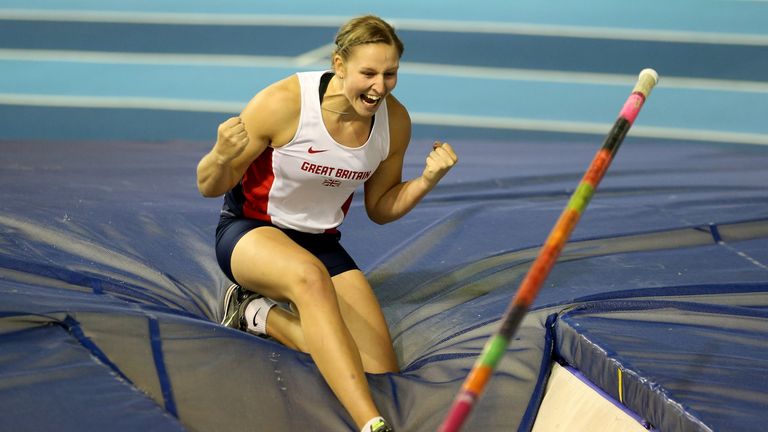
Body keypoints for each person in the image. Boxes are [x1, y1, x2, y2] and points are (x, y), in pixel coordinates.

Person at [196, 15, 457, 432]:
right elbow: (210, 185)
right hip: (250, 231)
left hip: (319, 241)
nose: (380, 87)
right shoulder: (283, 104)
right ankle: (371, 423)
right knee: (310, 279)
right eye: (368, 73)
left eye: (390, 74)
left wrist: (426, 181)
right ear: (339, 64)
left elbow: (382, 207)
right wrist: (220, 155)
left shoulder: (395, 122)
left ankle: (257, 313)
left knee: (379, 371)